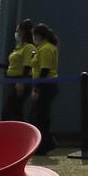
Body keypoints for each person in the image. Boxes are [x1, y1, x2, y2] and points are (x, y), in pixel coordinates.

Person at [31, 22, 62, 153]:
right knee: (42, 116)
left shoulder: (46, 49)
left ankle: (43, 145)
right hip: (46, 86)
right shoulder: (43, 48)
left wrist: (37, 89)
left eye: (34, 35)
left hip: (46, 86)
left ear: (38, 35)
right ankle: (49, 143)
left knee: (40, 117)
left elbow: (44, 71)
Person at [0, 18, 36, 122]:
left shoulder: (29, 47)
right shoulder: (19, 46)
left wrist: (21, 83)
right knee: (16, 110)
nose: (16, 33)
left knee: (7, 111)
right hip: (13, 81)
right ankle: (20, 136)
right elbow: (13, 65)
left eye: (17, 30)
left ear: (23, 31)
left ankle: (11, 135)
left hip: (20, 82)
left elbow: (28, 66)